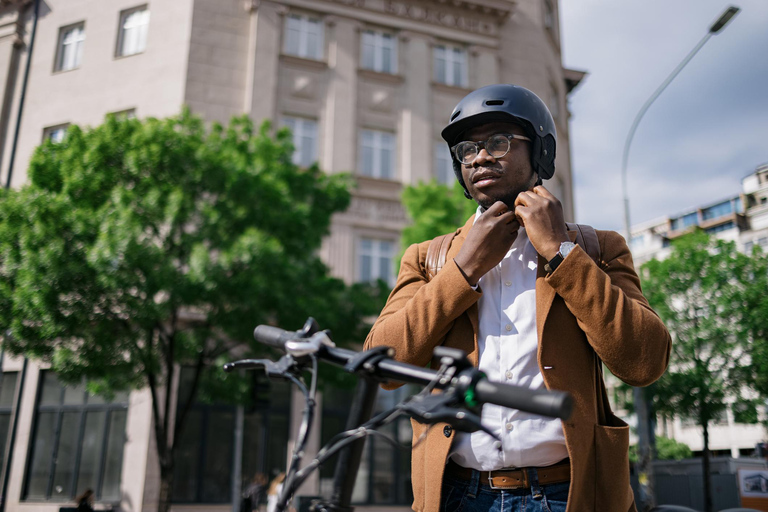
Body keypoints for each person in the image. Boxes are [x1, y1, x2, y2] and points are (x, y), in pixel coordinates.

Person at [364, 84, 671, 512]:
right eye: (468, 150)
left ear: (540, 152)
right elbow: (382, 365)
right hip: (456, 495)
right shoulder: (428, 258)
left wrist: (562, 253)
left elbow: (644, 362)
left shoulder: (598, 248)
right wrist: (463, 271)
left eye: (499, 142)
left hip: (570, 493)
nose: (481, 157)